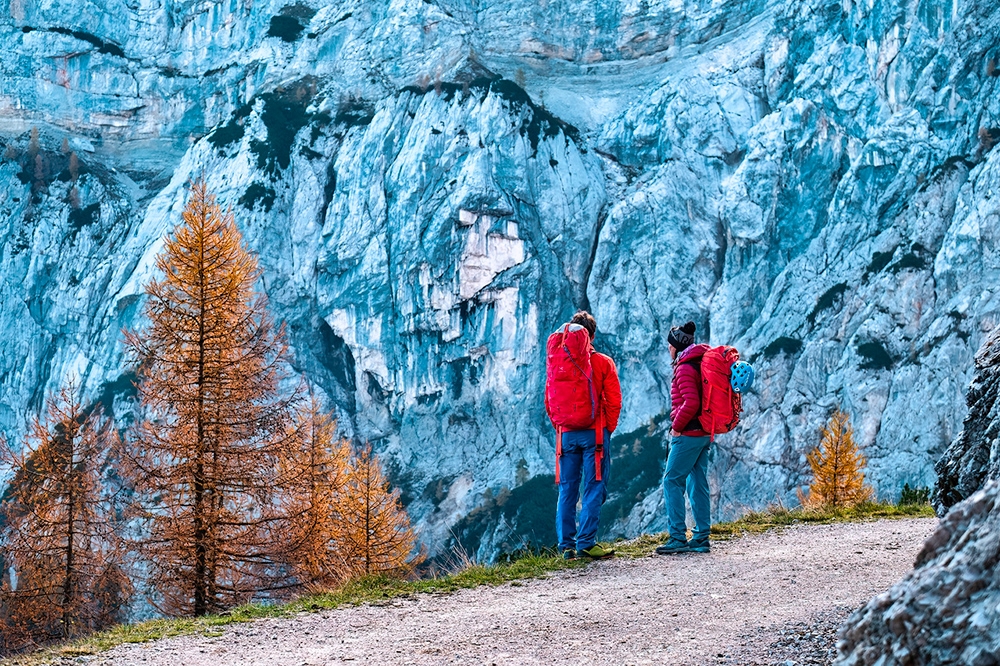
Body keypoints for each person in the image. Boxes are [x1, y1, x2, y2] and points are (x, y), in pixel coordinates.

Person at [548, 310, 622, 560]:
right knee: (593, 487)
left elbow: (549, 401)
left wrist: (561, 426)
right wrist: (607, 429)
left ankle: (566, 546)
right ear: (590, 335)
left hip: (566, 435)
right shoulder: (602, 362)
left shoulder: (556, 360)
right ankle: (586, 543)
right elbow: (614, 401)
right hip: (595, 435)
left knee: (567, 490)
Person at [656, 321, 713, 555]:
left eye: (670, 345)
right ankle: (701, 537)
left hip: (688, 433)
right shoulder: (698, 363)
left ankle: (677, 537)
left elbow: (691, 402)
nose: (668, 349)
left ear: (677, 346)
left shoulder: (684, 367)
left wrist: (676, 427)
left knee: (671, 481)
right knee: (698, 481)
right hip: (703, 432)